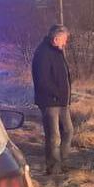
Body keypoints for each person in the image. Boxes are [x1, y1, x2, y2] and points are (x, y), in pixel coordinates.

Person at [31, 25, 73, 175]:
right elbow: (42, 80)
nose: (65, 43)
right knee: (54, 136)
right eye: (64, 40)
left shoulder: (58, 51)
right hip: (50, 101)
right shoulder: (43, 53)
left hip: (62, 101)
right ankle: (54, 168)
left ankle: (63, 162)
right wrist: (56, 94)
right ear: (56, 39)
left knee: (68, 131)